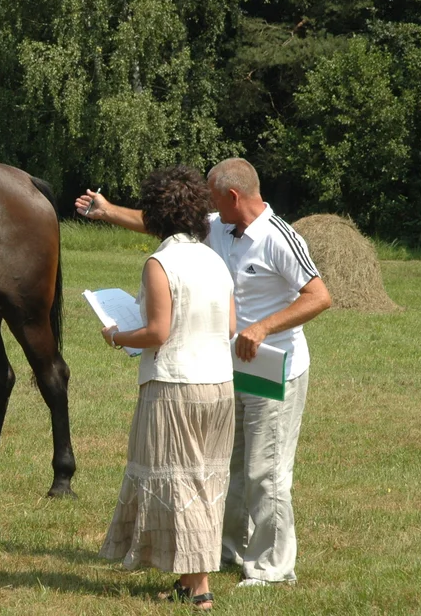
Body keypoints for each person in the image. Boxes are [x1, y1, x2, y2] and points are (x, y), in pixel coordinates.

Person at [77, 157, 331, 587]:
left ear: (233, 196)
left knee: (265, 470)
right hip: (224, 366)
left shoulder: (278, 237)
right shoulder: (217, 225)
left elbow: (319, 296)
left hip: (275, 369)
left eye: (211, 199)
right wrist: (108, 210)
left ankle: (272, 568)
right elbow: (164, 220)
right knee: (227, 465)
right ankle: (226, 550)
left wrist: (263, 327)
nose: (204, 209)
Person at [96, 166, 236, 611]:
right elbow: (231, 325)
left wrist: (118, 336)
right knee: (206, 479)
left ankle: (200, 589)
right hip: (219, 385)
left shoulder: (160, 262)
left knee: (178, 482)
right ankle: (189, 579)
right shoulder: (215, 259)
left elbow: (157, 331)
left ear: (156, 213)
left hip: (175, 385)